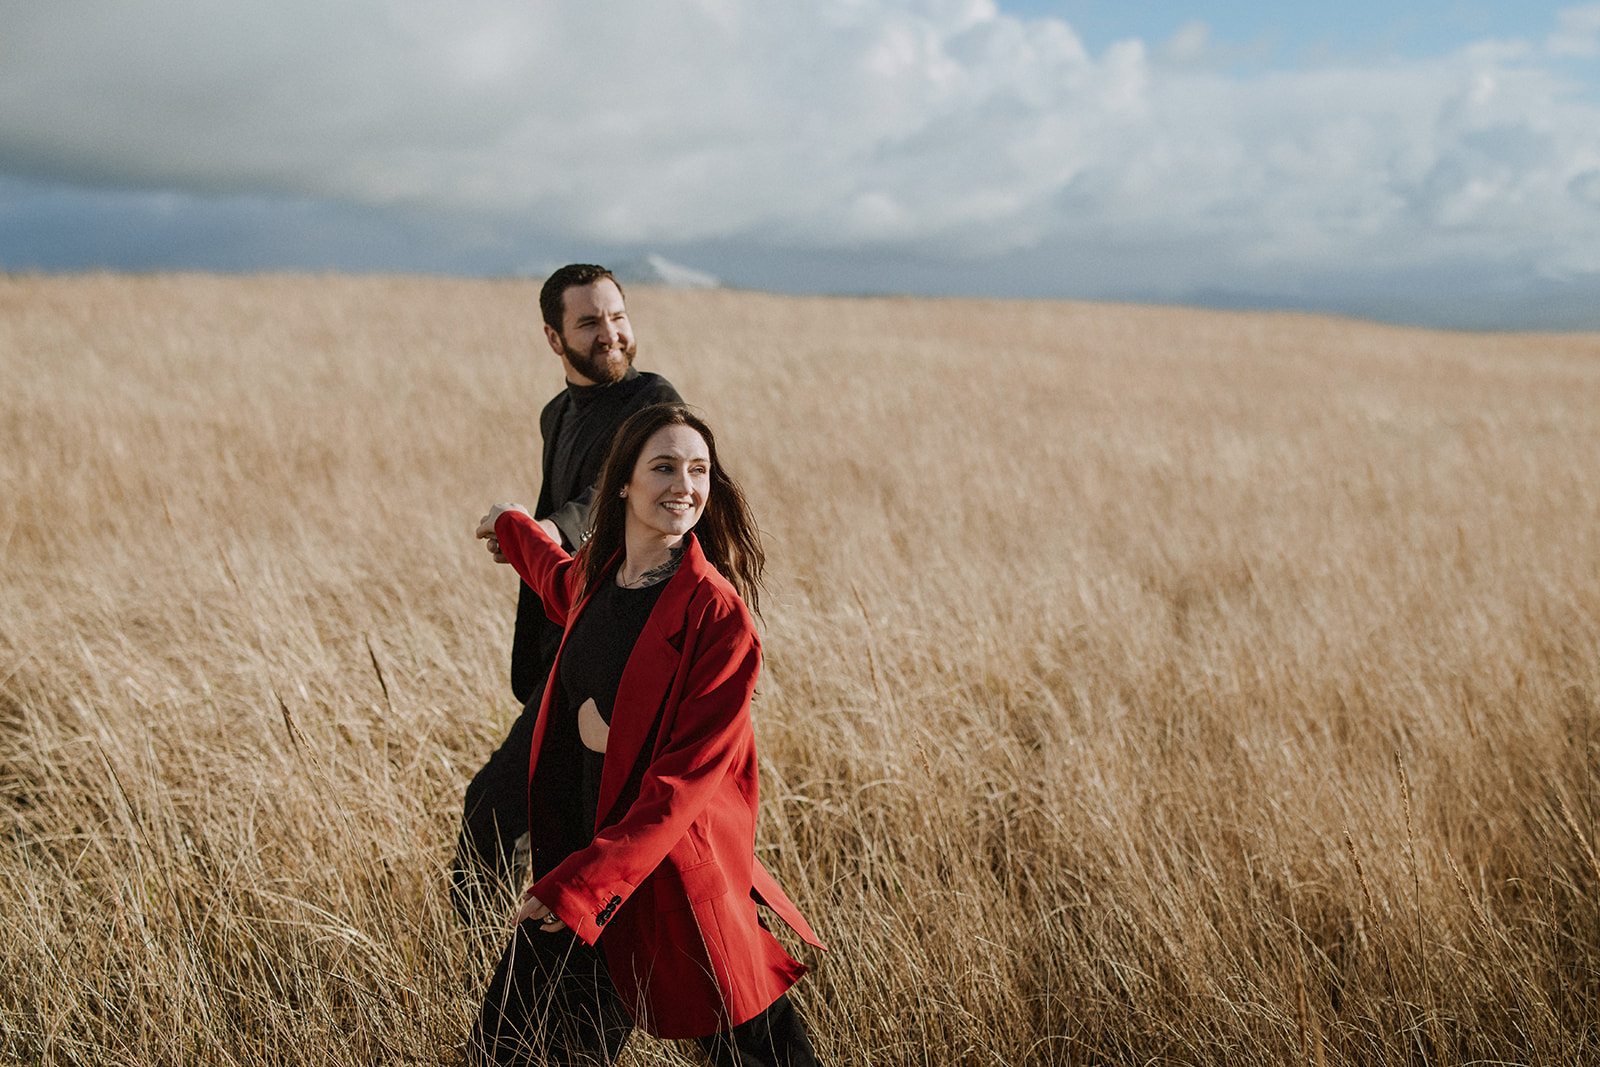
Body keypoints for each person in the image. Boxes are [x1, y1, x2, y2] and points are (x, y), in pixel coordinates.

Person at [470, 403, 823, 1066]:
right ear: (623, 483)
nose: (683, 485)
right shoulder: (602, 578)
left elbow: (680, 787)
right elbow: (556, 578)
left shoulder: (718, 619)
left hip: (664, 878)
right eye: (663, 466)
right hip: (580, 859)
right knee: (506, 1049)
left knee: (764, 1051)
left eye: (698, 469)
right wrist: (513, 524)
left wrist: (579, 887)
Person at [455, 264, 682, 922]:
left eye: (617, 316)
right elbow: (565, 500)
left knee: (506, 808)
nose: (610, 333)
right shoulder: (557, 413)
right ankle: (512, 972)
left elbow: (603, 491)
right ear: (555, 339)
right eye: (589, 322)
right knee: (528, 815)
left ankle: (497, 975)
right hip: (574, 642)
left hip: (625, 652)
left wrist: (548, 528)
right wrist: (528, 537)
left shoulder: (654, 404)